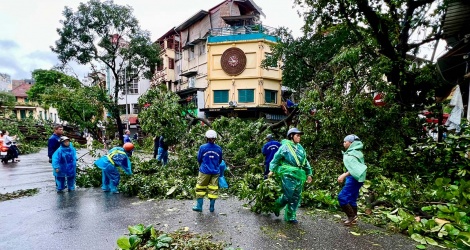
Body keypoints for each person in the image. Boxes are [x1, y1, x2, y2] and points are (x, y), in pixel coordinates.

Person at [268, 128, 313, 224]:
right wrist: (271, 170)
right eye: (297, 135)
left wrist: (309, 173)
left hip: (299, 175)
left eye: (300, 136)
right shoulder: (285, 147)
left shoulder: (300, 148)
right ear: (291, 136)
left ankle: (290, 216)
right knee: (288, 195)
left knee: (296, 196)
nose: (299, 137)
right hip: (288, 174)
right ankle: (277, 206)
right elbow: (276, 158)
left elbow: (305, 161)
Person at [337, 134, 367, 226]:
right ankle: (354, 218)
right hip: (358, 178)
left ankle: (351, 217)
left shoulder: (353, 154)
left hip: (354, 178)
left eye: (345, 142)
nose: (343, 143)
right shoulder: (357, 152)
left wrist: (343, 175)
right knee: (352, 198)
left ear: (351, 143)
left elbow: (355, 169)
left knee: (342, 197)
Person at [192, 130, 223, 213]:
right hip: (215, 171)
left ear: (206, 137)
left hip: (204, 171)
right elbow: (220, 160)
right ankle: (212, 208)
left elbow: (199, 159)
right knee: (213, 189)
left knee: (200, 188)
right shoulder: (219, 148)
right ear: (215, 138)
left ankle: (199, 207)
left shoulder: (203, 147)